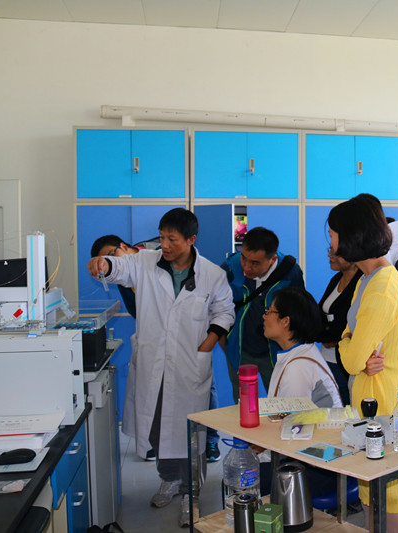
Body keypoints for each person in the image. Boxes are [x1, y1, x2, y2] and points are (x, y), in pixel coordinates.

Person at [87, 208, 235, 527]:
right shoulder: (144, 263)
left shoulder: (212, 274)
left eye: (172, 239)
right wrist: (104, 264)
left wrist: (208, 343)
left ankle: (191, 493)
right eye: (162, 237)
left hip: (189, 364)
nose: (164, 245)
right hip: (154, 363)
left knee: (189, 433)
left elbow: (225, 312)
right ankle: (168, 479)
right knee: (157, 427)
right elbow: (119, 268)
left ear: (191, 240)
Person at [91, 233, 222, 463]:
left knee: (202, 386)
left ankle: (210, 439)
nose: (112, 263)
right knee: (155, 390)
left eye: (111, 255)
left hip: (190, 335)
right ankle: (155, 441)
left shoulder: (161, 255)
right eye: (106, 262)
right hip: (157, 339)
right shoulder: (122, 272)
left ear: (123, 246)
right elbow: (136, 309)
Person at [328, 194, 398, 533]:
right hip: (368, 403)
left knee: (390, 497)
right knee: (370, 497)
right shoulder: (367, 279)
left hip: (384, 404)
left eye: (333, 234)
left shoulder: (380, 287)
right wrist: (353, 344)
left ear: (351, 236)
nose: (330, 242)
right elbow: (349, 337)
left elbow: (350, 359)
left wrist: (352, 346)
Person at [221, 227, 305, 400]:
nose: (246, 266)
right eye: (244, 258)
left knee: (281, 403)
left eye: (255, 263)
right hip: (240, 351)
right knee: (243, 405)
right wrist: (225, 340)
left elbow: (299, 313)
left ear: (272, 259)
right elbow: (217, 306)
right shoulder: (230, 268)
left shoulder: (290, 273)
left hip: (276, 353)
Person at [264, 287, 342, 408]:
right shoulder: (301, 354)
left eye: (269, 311)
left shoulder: (298, 367)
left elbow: (291, 417)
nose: (264, 316)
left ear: (286, 321)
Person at [317, 249, 361, 406]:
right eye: (330, 250)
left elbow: (349, 324)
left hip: (344, 362)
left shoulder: (361, 282)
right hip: (327, 357)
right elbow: (319, 314)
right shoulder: (337, 278)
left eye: (336, 252)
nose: (330, 255)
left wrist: (329, 334)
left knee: (347, 410)